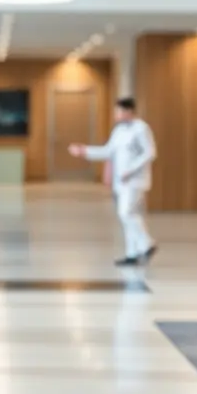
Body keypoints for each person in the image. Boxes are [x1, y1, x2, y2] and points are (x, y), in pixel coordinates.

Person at [69, 97, 158, 267]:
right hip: (121, 181)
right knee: (129, 216)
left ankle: (147, 244)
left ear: (128, 111)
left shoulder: (141, 129)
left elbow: (150, 152)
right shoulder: (119, 131)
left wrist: (130, 170)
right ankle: (132, 253)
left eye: (118, 111)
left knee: (126, 213)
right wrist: (84, 151)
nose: (116, 115)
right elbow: (108, 151)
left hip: (135, 180)